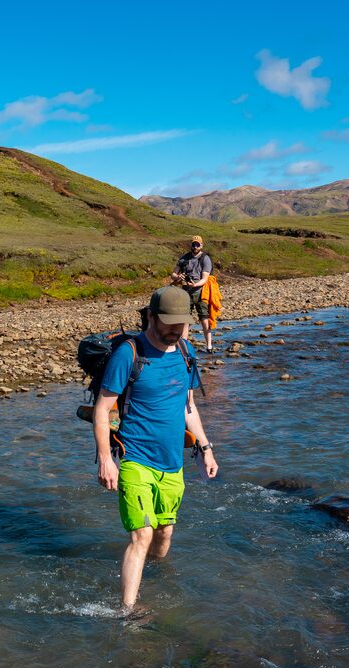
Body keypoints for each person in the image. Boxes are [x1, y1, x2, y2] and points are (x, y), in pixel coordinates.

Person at [92, 286, 218, 615]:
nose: (176, 330)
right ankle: (128, 611)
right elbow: (102, 409)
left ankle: (152, 577)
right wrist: (106, 459)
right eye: (169, 323)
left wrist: (205, 447)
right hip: (135, 459)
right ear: (151, 316)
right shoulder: (129, 354)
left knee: (164, 536)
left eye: (182, 323)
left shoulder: (187, 353)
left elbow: (189, 408)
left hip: (172, 464)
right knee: (143, 535)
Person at [170, 235, 215, 353]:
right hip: (185, 291)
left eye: (197, 244)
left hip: (201, 292)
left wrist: (195, 285)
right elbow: (173, 274)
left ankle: (209, 346)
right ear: (191, 245)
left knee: (204, 319)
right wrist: (178, 276)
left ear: (201, 245)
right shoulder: (184, 258)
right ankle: (184, 345)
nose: (195, 247)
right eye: (194, 244)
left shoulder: (205, 259)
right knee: (185, 319)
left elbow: (205, 278)